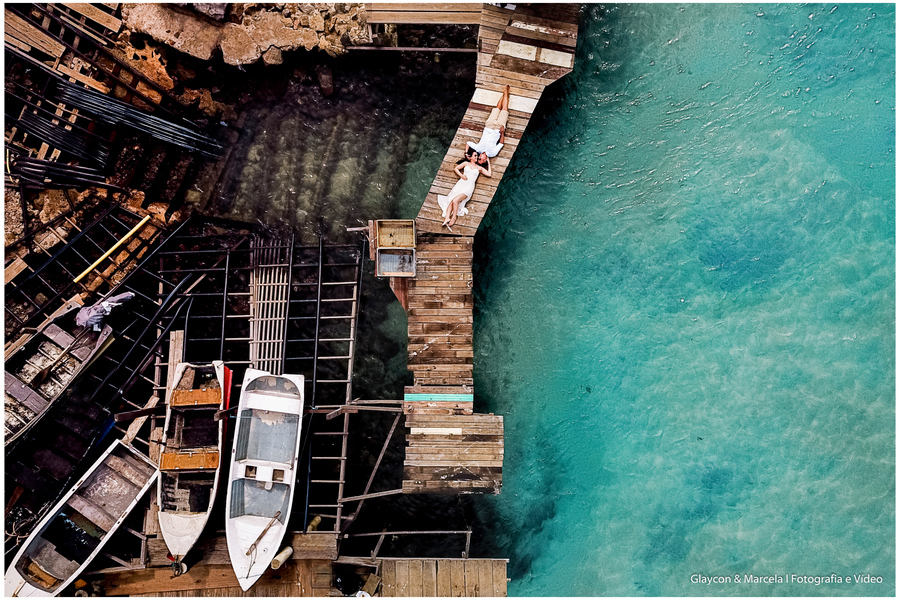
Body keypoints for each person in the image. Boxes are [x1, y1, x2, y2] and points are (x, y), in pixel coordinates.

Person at [438, 151, 492, 230]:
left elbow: (489, 174)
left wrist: (488, 162)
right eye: (475, 155)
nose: (476, 157)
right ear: (470, 157)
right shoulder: (466, 163)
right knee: (451, 200)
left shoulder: (479, 168)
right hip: (460, 185)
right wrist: (461, 175)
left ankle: (453, 218)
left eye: (477, 156)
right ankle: (447, 218)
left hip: (468, 188)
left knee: (455, 201)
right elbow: (456, 168)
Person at [466, 84, 510, 159]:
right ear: (485, 160)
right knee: (504, 109)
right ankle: (506, 93)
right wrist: (502, 133)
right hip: (498, 129)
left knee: (497, 108)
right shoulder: (492, 154)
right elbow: (501, 144)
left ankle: (504, 94)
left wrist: (466, 153)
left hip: (489, 126)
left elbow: (468, 143)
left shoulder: (478, 149)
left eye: (479, 158)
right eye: (481, 159)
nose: (480, 156)